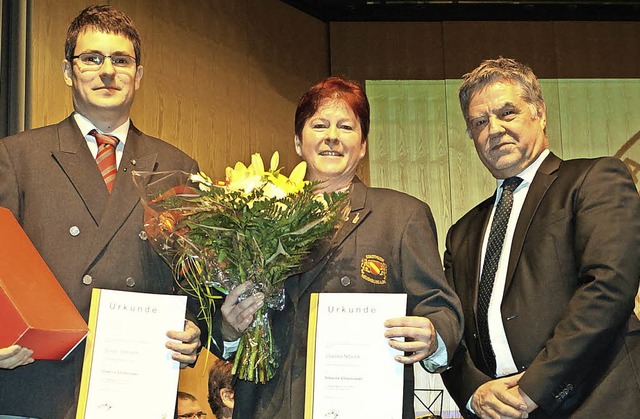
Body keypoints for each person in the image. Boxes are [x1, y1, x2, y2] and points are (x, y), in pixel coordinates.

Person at [210, 76, 463, 418]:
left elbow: (441, 308)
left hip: (362, 406)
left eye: (346, 126)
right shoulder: (253, 213)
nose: (332, 136)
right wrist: (228, 328)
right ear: (299, 142)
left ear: (362, 145)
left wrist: (433, 335)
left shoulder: (401, 216)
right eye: (319, 125)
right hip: (266, 406)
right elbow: (219, 327)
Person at [0, 5, 201, 418]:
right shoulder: (18, 156)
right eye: (91, 59)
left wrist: (196, 327)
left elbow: (196, 281)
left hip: (138, 387)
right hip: (38, 386)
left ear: (138, 76)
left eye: (121, 60)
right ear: (68, 71)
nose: (107, 71)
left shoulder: (179, 167)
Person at [441, 57, 640, 418]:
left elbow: (608, 289)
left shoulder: (594, 180)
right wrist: (474, 393)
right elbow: (451, 326)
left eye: (508, 113)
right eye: (480, 122)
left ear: (540, 113)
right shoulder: (462, 233)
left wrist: (534, 389)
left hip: (595, 402)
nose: (495, 129)